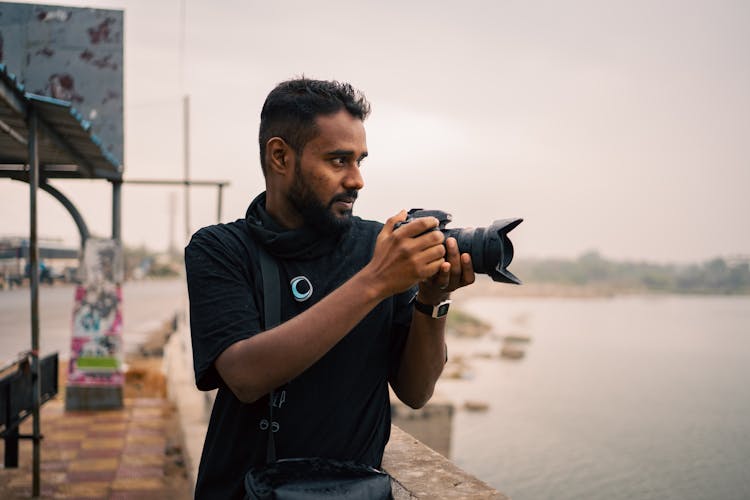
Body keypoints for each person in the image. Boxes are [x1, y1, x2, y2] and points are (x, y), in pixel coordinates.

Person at [185, 77, 475, 498]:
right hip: (243, 491)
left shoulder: (377, 247)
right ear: (280, 156)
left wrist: (432, 300)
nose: (357, 180)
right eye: (339, 161)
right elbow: (245, 375)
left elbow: (415, 392)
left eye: (360, 161)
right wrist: (376, 281)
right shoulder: (221, 249)